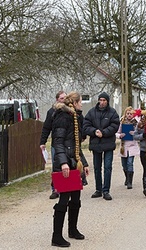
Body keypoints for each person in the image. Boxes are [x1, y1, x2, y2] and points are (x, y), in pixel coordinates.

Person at [51, 91, 90, 247]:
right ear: (74, 103)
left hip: (74, 163)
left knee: (76, 199)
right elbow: (58, 142)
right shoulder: (62, 117)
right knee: (63, 199)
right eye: (80, 102)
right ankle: (56, 236)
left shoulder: (76, 117)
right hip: (64, 164)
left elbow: (76, 144)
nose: (82, 104)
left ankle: (72, 229)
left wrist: (84, 163)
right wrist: (63, 163)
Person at [84, 92, 120, 201]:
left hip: (108, 142)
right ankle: (98, 189)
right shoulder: (91, 112)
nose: (102, 102)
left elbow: (115, 126)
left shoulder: (112, 113)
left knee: (107, 167)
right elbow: (85, 126)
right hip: (96, 143)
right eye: (101, 100)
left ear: (107, 101)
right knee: (96, 167)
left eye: (104, 100)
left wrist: (104, 133)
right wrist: (94, 131)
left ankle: (106, 190)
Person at [40, 90, 66, 199]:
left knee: (67, 165)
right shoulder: (52, 112)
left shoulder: (69, 111)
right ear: (57, 99)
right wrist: (43, 142)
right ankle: (55, 189)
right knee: (56, 166)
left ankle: (66, 188)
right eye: (61, 98)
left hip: (67, 142)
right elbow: (46, 127)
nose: (64, 100)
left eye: (65, 98)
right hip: (56, 142)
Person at [115, 106, 139, 189]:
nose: (129, 115)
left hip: (132, 146)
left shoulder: (136, 123)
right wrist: (120, 135)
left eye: (131, 114)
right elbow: (117, 133)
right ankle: (127, 177)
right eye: (128, 113)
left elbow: (139, 134)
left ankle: (130, 182)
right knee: (124, 164)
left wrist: (134, 133)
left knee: (130, 163)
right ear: (125, 114)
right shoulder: (122, 122)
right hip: (123, 146)